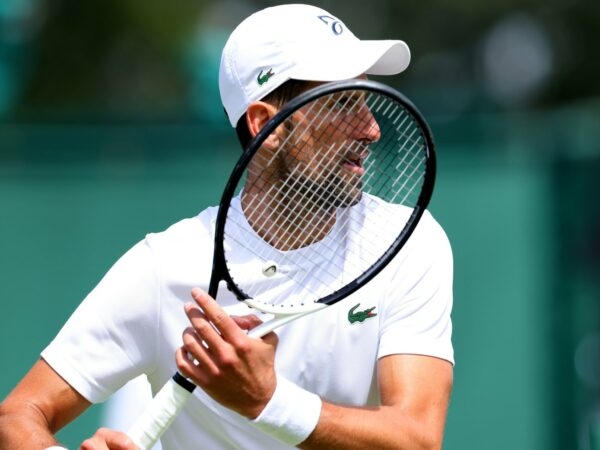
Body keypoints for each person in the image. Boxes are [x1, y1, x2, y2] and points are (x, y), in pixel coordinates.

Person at [0, 4, 454, 449]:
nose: (371, 128)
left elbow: (416, 438)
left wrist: (268, 401)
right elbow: (17, 416)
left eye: (366, 100)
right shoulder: (164, 266)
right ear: (265, 124)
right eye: (342, 103)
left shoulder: (409, 241)